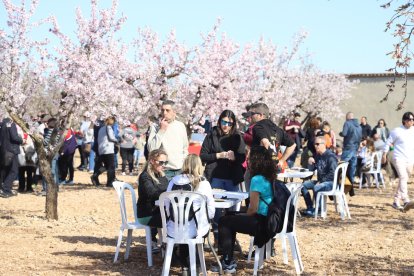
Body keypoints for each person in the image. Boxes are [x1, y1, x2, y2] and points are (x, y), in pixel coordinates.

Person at [212, 146, 277, 274]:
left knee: (225, 221)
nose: (247, 159)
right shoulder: (270, 175)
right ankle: (228, 256)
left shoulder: (257, 179)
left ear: (256, 160)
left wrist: (242, 215)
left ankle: (227, 260)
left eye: (250, 156)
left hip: (261, 222)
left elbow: (252, 209)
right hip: (270, 218)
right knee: (230, 215)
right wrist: (239, 215)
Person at [200, 109, 246, 244]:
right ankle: (217, 238)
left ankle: (230, 239)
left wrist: (234, 157)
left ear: (233, 124)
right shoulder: (212, 135)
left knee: (232, 210)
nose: (226, 125)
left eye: (229, 123)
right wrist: (218, 155)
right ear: (219, 121)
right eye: (223, 122)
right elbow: (202, 155)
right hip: (215, 177)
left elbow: (242, 156)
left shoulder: (237, 136)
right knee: (216, 210)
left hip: (232, 178)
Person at [165, 154, 215, 274]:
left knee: (183, 228)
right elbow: (211, 210)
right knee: (196, 229)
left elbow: (166, 205)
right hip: (195, 230)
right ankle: (194, 265)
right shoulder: (203, 183)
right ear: (199, 166)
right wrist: (208, 220)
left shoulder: (173, 181)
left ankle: (185, 266)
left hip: (172, 229)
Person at [136, 149, 169, 252]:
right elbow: (153, 193)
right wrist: (170, 195)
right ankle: (171, 250)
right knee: (174, 220)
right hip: (147, 215)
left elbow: (165, 190)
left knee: (179, 218)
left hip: (158, 212)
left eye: (165, 162)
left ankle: (173, 249)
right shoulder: (145, 176)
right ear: (152, 161)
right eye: (161, 162)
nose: (164, 165)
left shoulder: (161, 175)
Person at [147, 100, 189, 180]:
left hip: (180, 170)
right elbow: (151, 149)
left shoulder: (180, 126)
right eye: (163, 110)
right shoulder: (155, 126)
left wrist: (183, 162)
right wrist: (161, 130)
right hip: (164, 170)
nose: (164, 113)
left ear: (174, 112)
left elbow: (185, 148)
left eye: (167, 110)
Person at [382, 112, 414, 211]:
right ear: (404, 121)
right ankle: (406, 200)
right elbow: (388, 142)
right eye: (409, 120)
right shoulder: (397, 131)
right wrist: (384, 154)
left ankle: (396, 200)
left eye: (413, 120)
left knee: (403, 179)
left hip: (410, 159)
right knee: (403, 177)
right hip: (399, 158)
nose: (411, 122)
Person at [249, 102, 295, 170]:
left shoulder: (257, 126)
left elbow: (265, 142)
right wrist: (281, 161)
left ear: (260, 115)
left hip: (260, 169)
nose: (250, 116)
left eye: (252, 114)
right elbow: (292, 145)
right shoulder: (277, 129)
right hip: (274, 168)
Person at [301, 136, 338, 216]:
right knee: (303, 186)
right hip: (320, 181)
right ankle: (310, 208)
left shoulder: (331, 156)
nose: (315, 146)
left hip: (331, 182)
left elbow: (333, 173)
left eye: (317, 144)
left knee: (317, 187)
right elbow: (312, 170)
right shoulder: (317, 156)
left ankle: (319, 210)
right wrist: (310, 163)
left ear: (324, 144)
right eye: (315, 144)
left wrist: (321, 181)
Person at [91, 116, 118, 187]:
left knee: (106, 166)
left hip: (101, 150)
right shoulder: (108, 128)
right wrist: (118, 141)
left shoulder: (101, 129)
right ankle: (110, 182)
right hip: (108, 150)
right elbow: (111, 137)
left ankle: (95, 175)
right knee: (111, 167)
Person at [0, 117, 24, 197]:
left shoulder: (2, 124)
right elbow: (14, 137)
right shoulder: (11, 124)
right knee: (14, 171)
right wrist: (21, 140)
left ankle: (4, 188)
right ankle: (6, 189)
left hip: (4, 150)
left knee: (6, 170)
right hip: (12, 151)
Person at [339, 112, 362, 186]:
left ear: (348, 117)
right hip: (355, 147)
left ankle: (340, 182)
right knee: (352, 167)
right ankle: (350, 183)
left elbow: (344, 133)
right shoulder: (359, 126)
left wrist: (341, 133)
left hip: (348, 147)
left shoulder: (347, 123)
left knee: (342, 165)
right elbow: (360, 137)